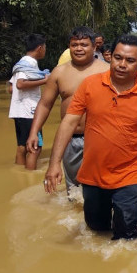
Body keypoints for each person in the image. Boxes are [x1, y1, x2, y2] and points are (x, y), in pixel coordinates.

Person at [43, 35, 137, 239]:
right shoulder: (90, 85)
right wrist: (54, 164)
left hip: (128, 176)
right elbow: (68, 122)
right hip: (92, 175)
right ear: (110, 57)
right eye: (117, 58)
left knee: (126, 237)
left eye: (130, 60)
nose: (122, 65)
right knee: (96, 232)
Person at [26, 27, 109, 193]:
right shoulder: (59, 72)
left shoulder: (108, 71)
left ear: (94, 47)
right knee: (74, 190)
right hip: (70, 139)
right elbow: (45, 104)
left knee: (101, 189)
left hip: (101, 138)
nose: (78, 48)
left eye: (84, 44)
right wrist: (34, 132)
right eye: (74, 44)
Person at [9, 34, 49, 170]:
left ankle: (19, 173)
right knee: (35, 147)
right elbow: (20, 84)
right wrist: (45, 80)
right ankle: (29, 175)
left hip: (18, 111)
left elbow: (11, 88)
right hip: (29, 112)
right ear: (39, 48)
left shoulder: (20, 65)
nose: (45, 50)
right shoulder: (28, 64)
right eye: (44, 47)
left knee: (22, 146)